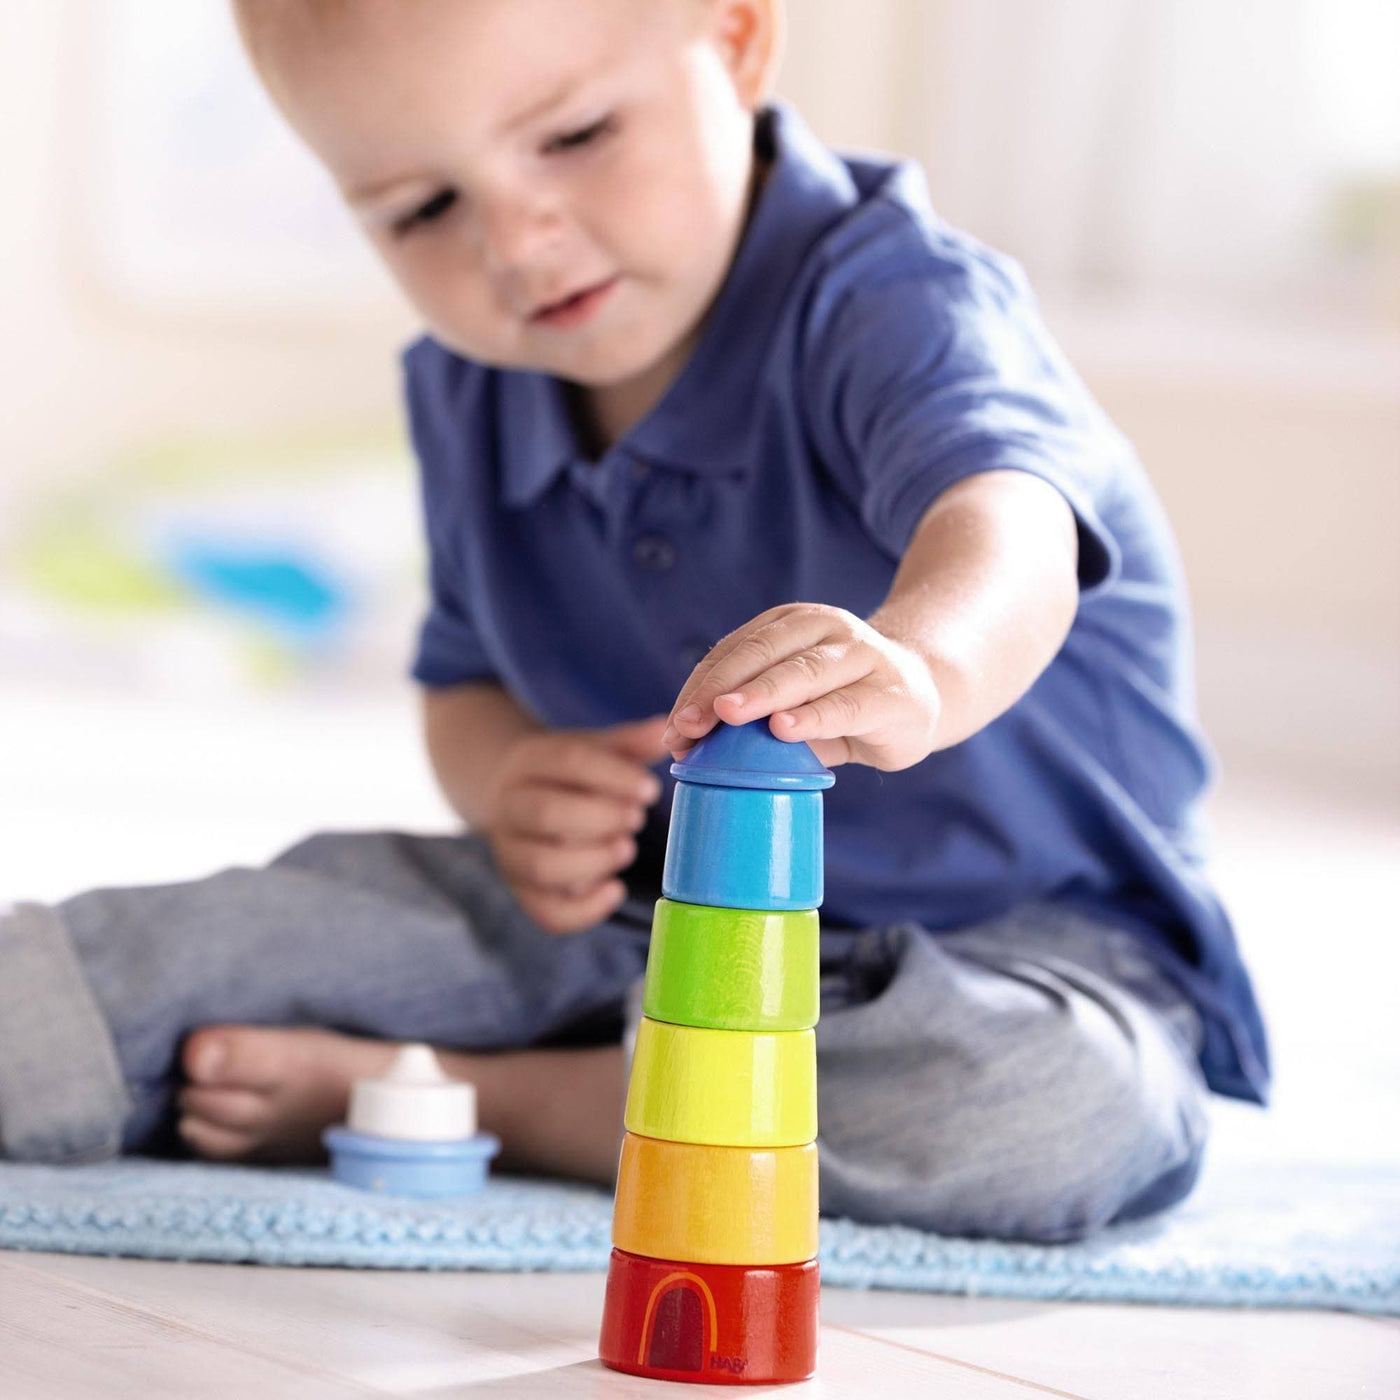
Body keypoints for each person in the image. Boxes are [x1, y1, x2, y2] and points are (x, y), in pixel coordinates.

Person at [0, 0, 1269, 1243]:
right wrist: (510, 784)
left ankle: (482, 1094)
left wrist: (923, 664)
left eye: (572, 136)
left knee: (1052, 1110)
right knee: (216, 941)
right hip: (628, 921)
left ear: (734, 40)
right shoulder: (468, 388)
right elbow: (464, 679)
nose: (516, 235)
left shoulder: (892, 299)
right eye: (423, 207)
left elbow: (1010, 516)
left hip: (1009, 951)